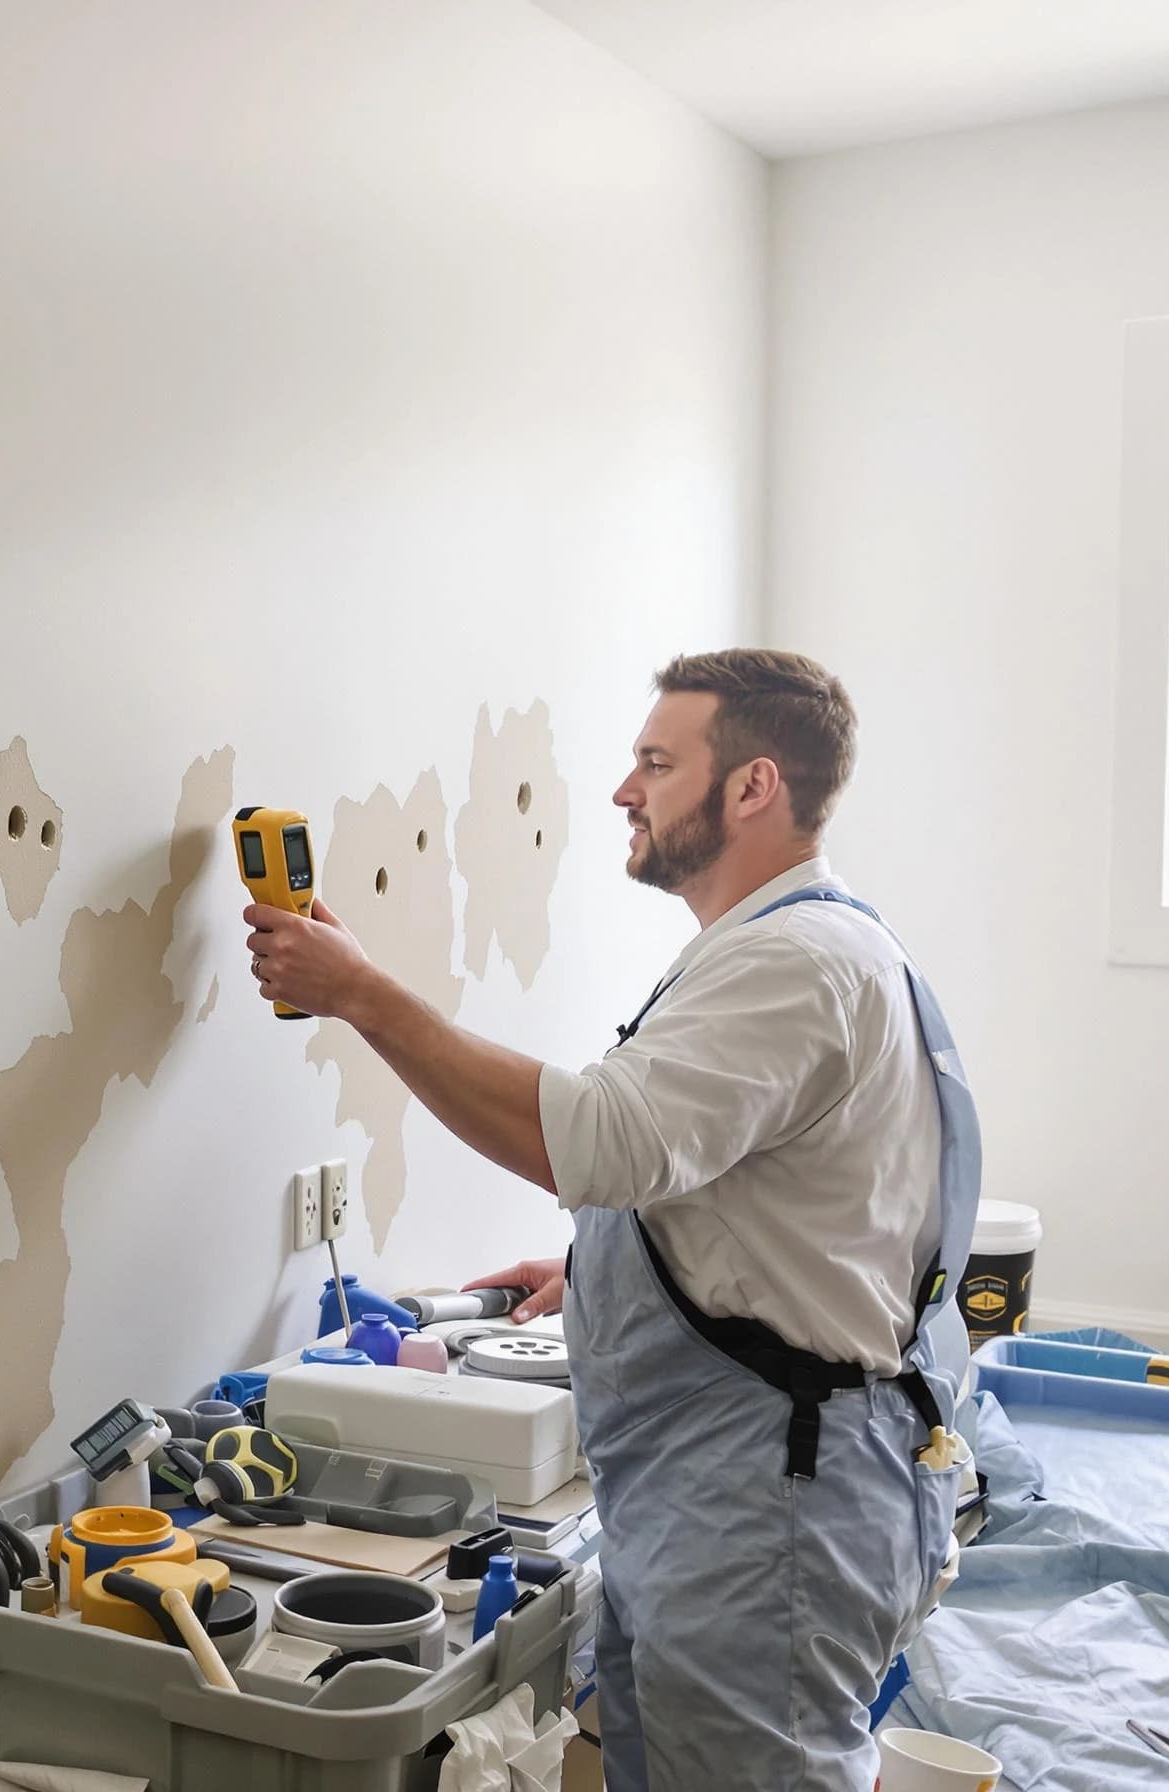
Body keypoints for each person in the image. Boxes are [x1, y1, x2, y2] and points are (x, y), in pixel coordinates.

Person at [244, 649, 980, 1792]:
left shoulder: (792, 962)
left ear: (753, 786)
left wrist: (361, 994)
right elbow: (760, 1188)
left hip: (768, 1508)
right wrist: (609, 1262)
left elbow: (591, 1138)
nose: (624, 790)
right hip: (728, 1489)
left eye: (656, 762)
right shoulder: (789, 945)